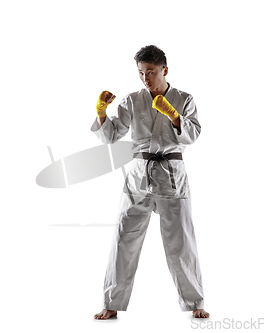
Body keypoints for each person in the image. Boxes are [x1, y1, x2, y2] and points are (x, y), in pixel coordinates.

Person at [91, 45, 209, 319]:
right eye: (141, 72)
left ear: (164, 70)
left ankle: (195, 303)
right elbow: (110, 136)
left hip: (171, 173)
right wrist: (101, 113)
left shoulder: (184, 99)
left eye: (151, 72)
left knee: (181, 241)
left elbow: (193, 135)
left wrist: (173, 115)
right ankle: (111, 303)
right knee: (124, 239)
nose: (146, 78)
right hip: (139, 174)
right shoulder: (132, 100)